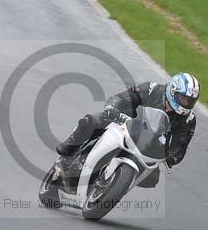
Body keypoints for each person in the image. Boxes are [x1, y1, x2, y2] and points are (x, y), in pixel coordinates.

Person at [56, 72, 200, 186]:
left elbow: (181, 146)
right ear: (173, 91)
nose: (186, 103)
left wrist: (170, 157)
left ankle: (114, 184)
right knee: (91, 121)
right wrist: (113, 107)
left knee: (152, 178)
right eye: (183, 98)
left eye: (190, 101)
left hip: (148, 145)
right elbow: (127, 96)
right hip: (124, 122)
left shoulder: (189, 119)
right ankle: (68, 150)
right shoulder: (153, 89)